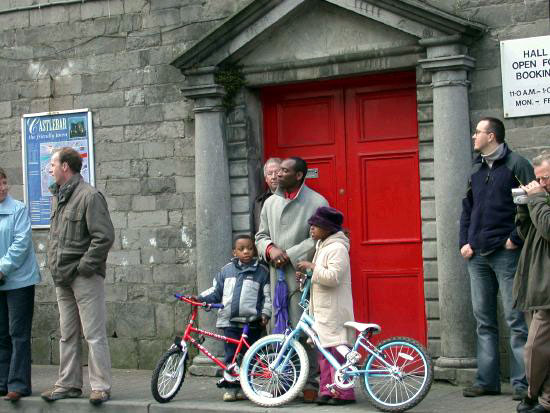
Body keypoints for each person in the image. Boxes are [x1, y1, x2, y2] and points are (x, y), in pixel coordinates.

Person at [459, 117, 534, 400]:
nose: (474, 136)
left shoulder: (517, 165)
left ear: (491, 136)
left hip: (506, 254)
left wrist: (515, 238)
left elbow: (532, 203)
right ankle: (487, 381)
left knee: (515, 319)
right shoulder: (476, 169)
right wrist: (464, 242)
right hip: (477, 254)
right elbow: (467, 208)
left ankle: (522, 384)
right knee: (484, 320)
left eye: (478, 132)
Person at [41, 147, 115, 405]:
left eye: (52, 163)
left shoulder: (90, 196)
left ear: (65, 167)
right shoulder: (57, 196)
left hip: (84, 276)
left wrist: (85, 267)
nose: (49, 169)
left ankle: (100, 386)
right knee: (67, 333)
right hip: (62, 277)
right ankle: (69, 384)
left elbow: (103, 237)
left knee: (93, 334)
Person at [256, 156, 328, 401]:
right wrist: (270, 250)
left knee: (304, 328)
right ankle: (281, 379)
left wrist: (290, 253)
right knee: (278, 327)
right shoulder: (269, 204)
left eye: (284, 171)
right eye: (276, 172)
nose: (277, 175)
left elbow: (320, 238)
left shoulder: (317, 202)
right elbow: (260, 236)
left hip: (301, 275)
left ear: (298, 176)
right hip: (276, 277)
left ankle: (310, 383)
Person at [196, 234, 271, 402]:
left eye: (250, 248)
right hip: (229, 322)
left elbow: (267, 296)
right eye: (241, 249)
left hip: (251, 323)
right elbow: (215, 291)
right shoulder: (226, 270)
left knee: (248, 357)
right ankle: (231, 388)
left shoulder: (262, 272)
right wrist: (199, 298)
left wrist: (265, 313)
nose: (246, 252)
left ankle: (247, 387)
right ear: (234, 252)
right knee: (231, 356)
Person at [296, 206, 355, 406]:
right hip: (323, 310)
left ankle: (343, 392)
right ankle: (328, 390)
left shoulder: (338, 248)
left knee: (337, 351)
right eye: (311, 225)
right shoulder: (323, 246)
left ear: (328, 228)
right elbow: (321, 276)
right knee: (325, 352)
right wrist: (307, 276)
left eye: (316, 225)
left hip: (335, 310)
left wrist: (313, 267)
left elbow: (333, 277)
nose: (312, 228)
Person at [0, 168, 41, 402]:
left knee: (18, 334)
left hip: (19, 281)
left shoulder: (18, 210)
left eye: (5, 182)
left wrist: (1, 268)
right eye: (0, 184)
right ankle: (2, 382)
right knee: (1, 335)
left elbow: (21, 243)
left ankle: (18, 385)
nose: (4, 187)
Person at [513, 152, 550, 413]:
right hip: (535, 285)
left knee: (534, 347)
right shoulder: (541, 200)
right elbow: (529, 234)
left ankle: (530, 393)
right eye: (538, 179)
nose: (541, 183)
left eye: (545, 178)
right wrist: (524, 208)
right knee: (543, 349)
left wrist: (536, 199)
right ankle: (545, 400)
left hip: (547, 288)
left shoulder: (543, 199)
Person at [253, 158, 281, 233]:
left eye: (277, 173)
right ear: (266, 178)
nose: (274, 177)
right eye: (270, 173)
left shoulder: (294, 198)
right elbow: (258, 230)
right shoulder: (259, 201)